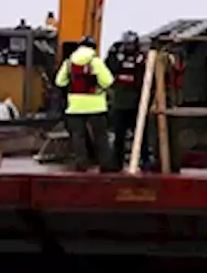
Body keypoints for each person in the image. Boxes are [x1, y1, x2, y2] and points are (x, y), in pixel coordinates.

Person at [54, 36, 114, 171]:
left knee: (78, 137)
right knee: (100, 136)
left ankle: (81, 164)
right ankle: (105, 164)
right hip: (96, 106)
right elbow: (108, 81)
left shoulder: (69, 62)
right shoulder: (96, 62)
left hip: (75, 106)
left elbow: (59, 82)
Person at [105, 30, 147, 170]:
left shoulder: (141, 58)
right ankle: (117, 162)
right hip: (120, 102)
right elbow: (109, 68)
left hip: (136, 102)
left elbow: (144, 77)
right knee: (119, 135)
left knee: (140, 135)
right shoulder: (118, 57)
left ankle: (144, 159)